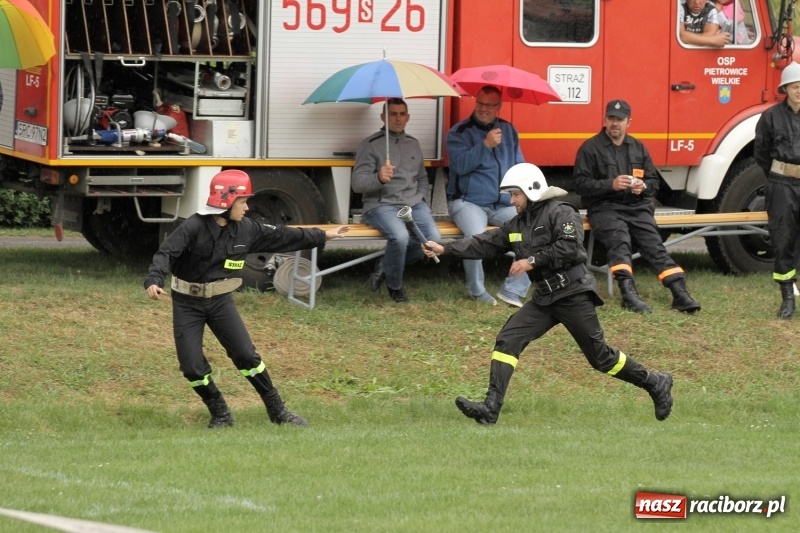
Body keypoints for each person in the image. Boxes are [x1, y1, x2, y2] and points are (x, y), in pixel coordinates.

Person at [423, 163, 674, 425]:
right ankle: (490, 408)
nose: (512, 200)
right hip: (545, 298)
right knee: (508, 339)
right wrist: (444, 248)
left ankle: (654, 381)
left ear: (531, 190)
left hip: (573, 293)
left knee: (600, 359)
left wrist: (531, 260)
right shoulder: (518, 223)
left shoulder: (562, 212)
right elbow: (483, 243)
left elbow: (570, 248)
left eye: (515, 194)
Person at [144, 169, 348, 428]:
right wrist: (154, 280)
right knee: (192, 368)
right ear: (226, 201)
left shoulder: (247, 229)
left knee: (246, 357)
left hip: (220, 302)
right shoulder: (193, 226)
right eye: (243, 201)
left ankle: (278, 411)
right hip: (187, 303)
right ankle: (220, 413)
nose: (248, 207)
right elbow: (165, 253)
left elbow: (283, 235)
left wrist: (323, 235)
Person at [573, 99, 701, 314]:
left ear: (628, 122)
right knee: (619, 241)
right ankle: (628, 294)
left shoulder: (638, 148)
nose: (615, 124)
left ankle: (679, 292)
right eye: (611, 119)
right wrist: (610, 184)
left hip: (636, 208)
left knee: (654, 245)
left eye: (620, 119)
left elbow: (654, 183)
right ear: (604, 120)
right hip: (605, 208)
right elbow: (580, 184)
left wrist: (643, 186)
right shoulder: (590, 148)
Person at [445, 85, 532, 307]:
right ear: (475, 103)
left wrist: (524, 191)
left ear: (498, 107)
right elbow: (459, 166)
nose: (484, 109)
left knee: (527, 233)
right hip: (468, 203)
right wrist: (485, 145)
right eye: (481, 103)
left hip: (503, 204)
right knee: (476, 238)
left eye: (490, 105)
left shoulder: (509, 130)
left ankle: (513, 289)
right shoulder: (460, 132)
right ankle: (476, 290)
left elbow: (519, 165)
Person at [352, 98, 442, 304]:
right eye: (393, 114)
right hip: (381, 205)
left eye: (402, 114)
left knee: (432, 238)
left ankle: (385, 265)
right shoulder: (370, 145)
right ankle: (395, 287)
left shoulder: (414, 144)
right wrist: (378, 177)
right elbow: (357, 183)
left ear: (408, 117)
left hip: (413, 203)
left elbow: (421, 178)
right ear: (383, 117)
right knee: (400, 238)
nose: (398, 118)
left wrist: (418, 198)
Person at [754, 61, 800, 320]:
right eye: (795, 86)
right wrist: (778, 176)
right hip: (781, 185)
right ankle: (787, 300)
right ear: (785, 88)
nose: (799, 91)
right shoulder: (771, 116)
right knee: (783, 240)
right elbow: (761, 152)